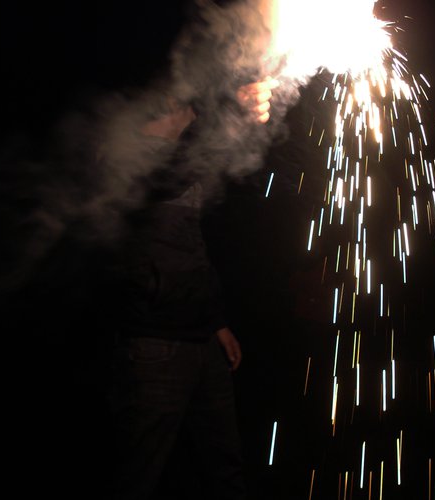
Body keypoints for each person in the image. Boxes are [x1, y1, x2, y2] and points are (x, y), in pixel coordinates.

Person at [94, 63, 279, 499]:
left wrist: (217, 321)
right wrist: (229, 116)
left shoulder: (181, 162)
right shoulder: (126, 161)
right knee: (138, 473)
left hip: (201, 339)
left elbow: (190, 251)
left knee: (224, 467)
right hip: (153, 345)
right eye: (182, 109)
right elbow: (167, 177)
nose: (191, 114)